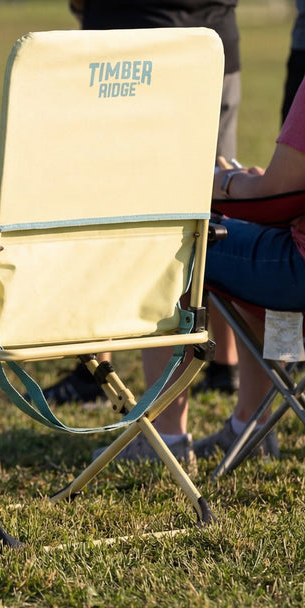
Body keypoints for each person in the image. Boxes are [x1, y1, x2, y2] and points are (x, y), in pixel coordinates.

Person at [44, 0, 243, 404]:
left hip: (124, 45)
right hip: (212, 39)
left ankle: (96, 370)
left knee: (109, 210)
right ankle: (226, 364)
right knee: (210, 207)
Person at [102, 77, 305, 463]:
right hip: (291, 279)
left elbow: (278, 195)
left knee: (175, 242)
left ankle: (167, 438)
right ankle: (252, 426)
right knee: (249, 254)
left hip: (297, 276)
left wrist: (223, 183)